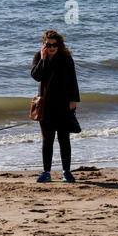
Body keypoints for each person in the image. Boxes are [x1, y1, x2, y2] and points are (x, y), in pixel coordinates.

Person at [31, 29, 80, 183]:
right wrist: (44, 59)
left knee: (64, 139)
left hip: (63, 105)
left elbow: (73, 79)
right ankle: (46, 172)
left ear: (59, 45)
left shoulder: (66, 58)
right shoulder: (39, 56)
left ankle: (67, 172)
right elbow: (36, 76)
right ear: (44, 45)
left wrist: (73, 100)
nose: (52, 47)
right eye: (49, 45)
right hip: (46, 106)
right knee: (48, 140)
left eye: (54, 45)